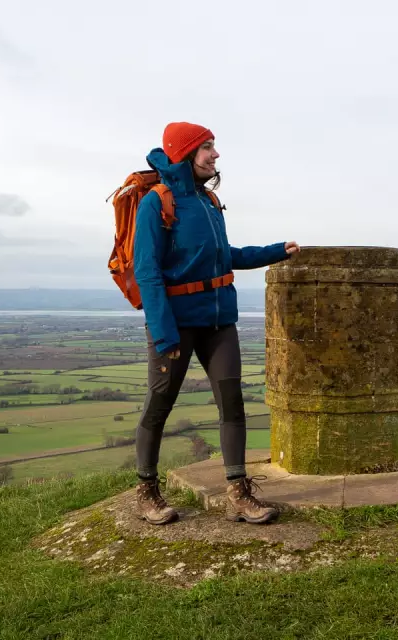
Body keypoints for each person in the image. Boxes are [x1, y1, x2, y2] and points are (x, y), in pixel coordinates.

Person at [132, 121, 300, 525]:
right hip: (175, 324)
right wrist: (164, 331)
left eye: (213, 147)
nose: (215, 154)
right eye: (206, 147)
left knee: (232, 403)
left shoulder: (208, 201)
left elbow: (225, 255)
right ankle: (146, 492)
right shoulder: (158, 201)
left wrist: (276, 251)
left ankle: (238, 493)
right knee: (159, 404)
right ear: (185, 153)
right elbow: (147, 271)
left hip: (219, 321)